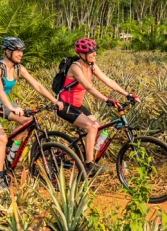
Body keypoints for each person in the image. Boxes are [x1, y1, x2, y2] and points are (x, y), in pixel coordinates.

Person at [0, 36, 65, 189]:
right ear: (7, 51)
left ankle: (9, 151)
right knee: (1, 138)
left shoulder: (18, 68)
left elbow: (37, 85)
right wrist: (11, 107)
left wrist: (54, 100)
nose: (20, 54)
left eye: (21, 51)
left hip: (2, 104)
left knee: (27, 121)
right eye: (17, 51)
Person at [55, 37, 139, 177]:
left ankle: (84, 155)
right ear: (82, 54)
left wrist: (127, 94)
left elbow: (108, 80)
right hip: (65, 106)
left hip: (78, 105)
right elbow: (89, 87)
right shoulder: (76, 67)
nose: (95, 54)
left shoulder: (92, 65)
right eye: (91, 52)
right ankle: (88, 165)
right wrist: (107, 99)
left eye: (95, 52)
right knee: (91, 127)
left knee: (99, 129)